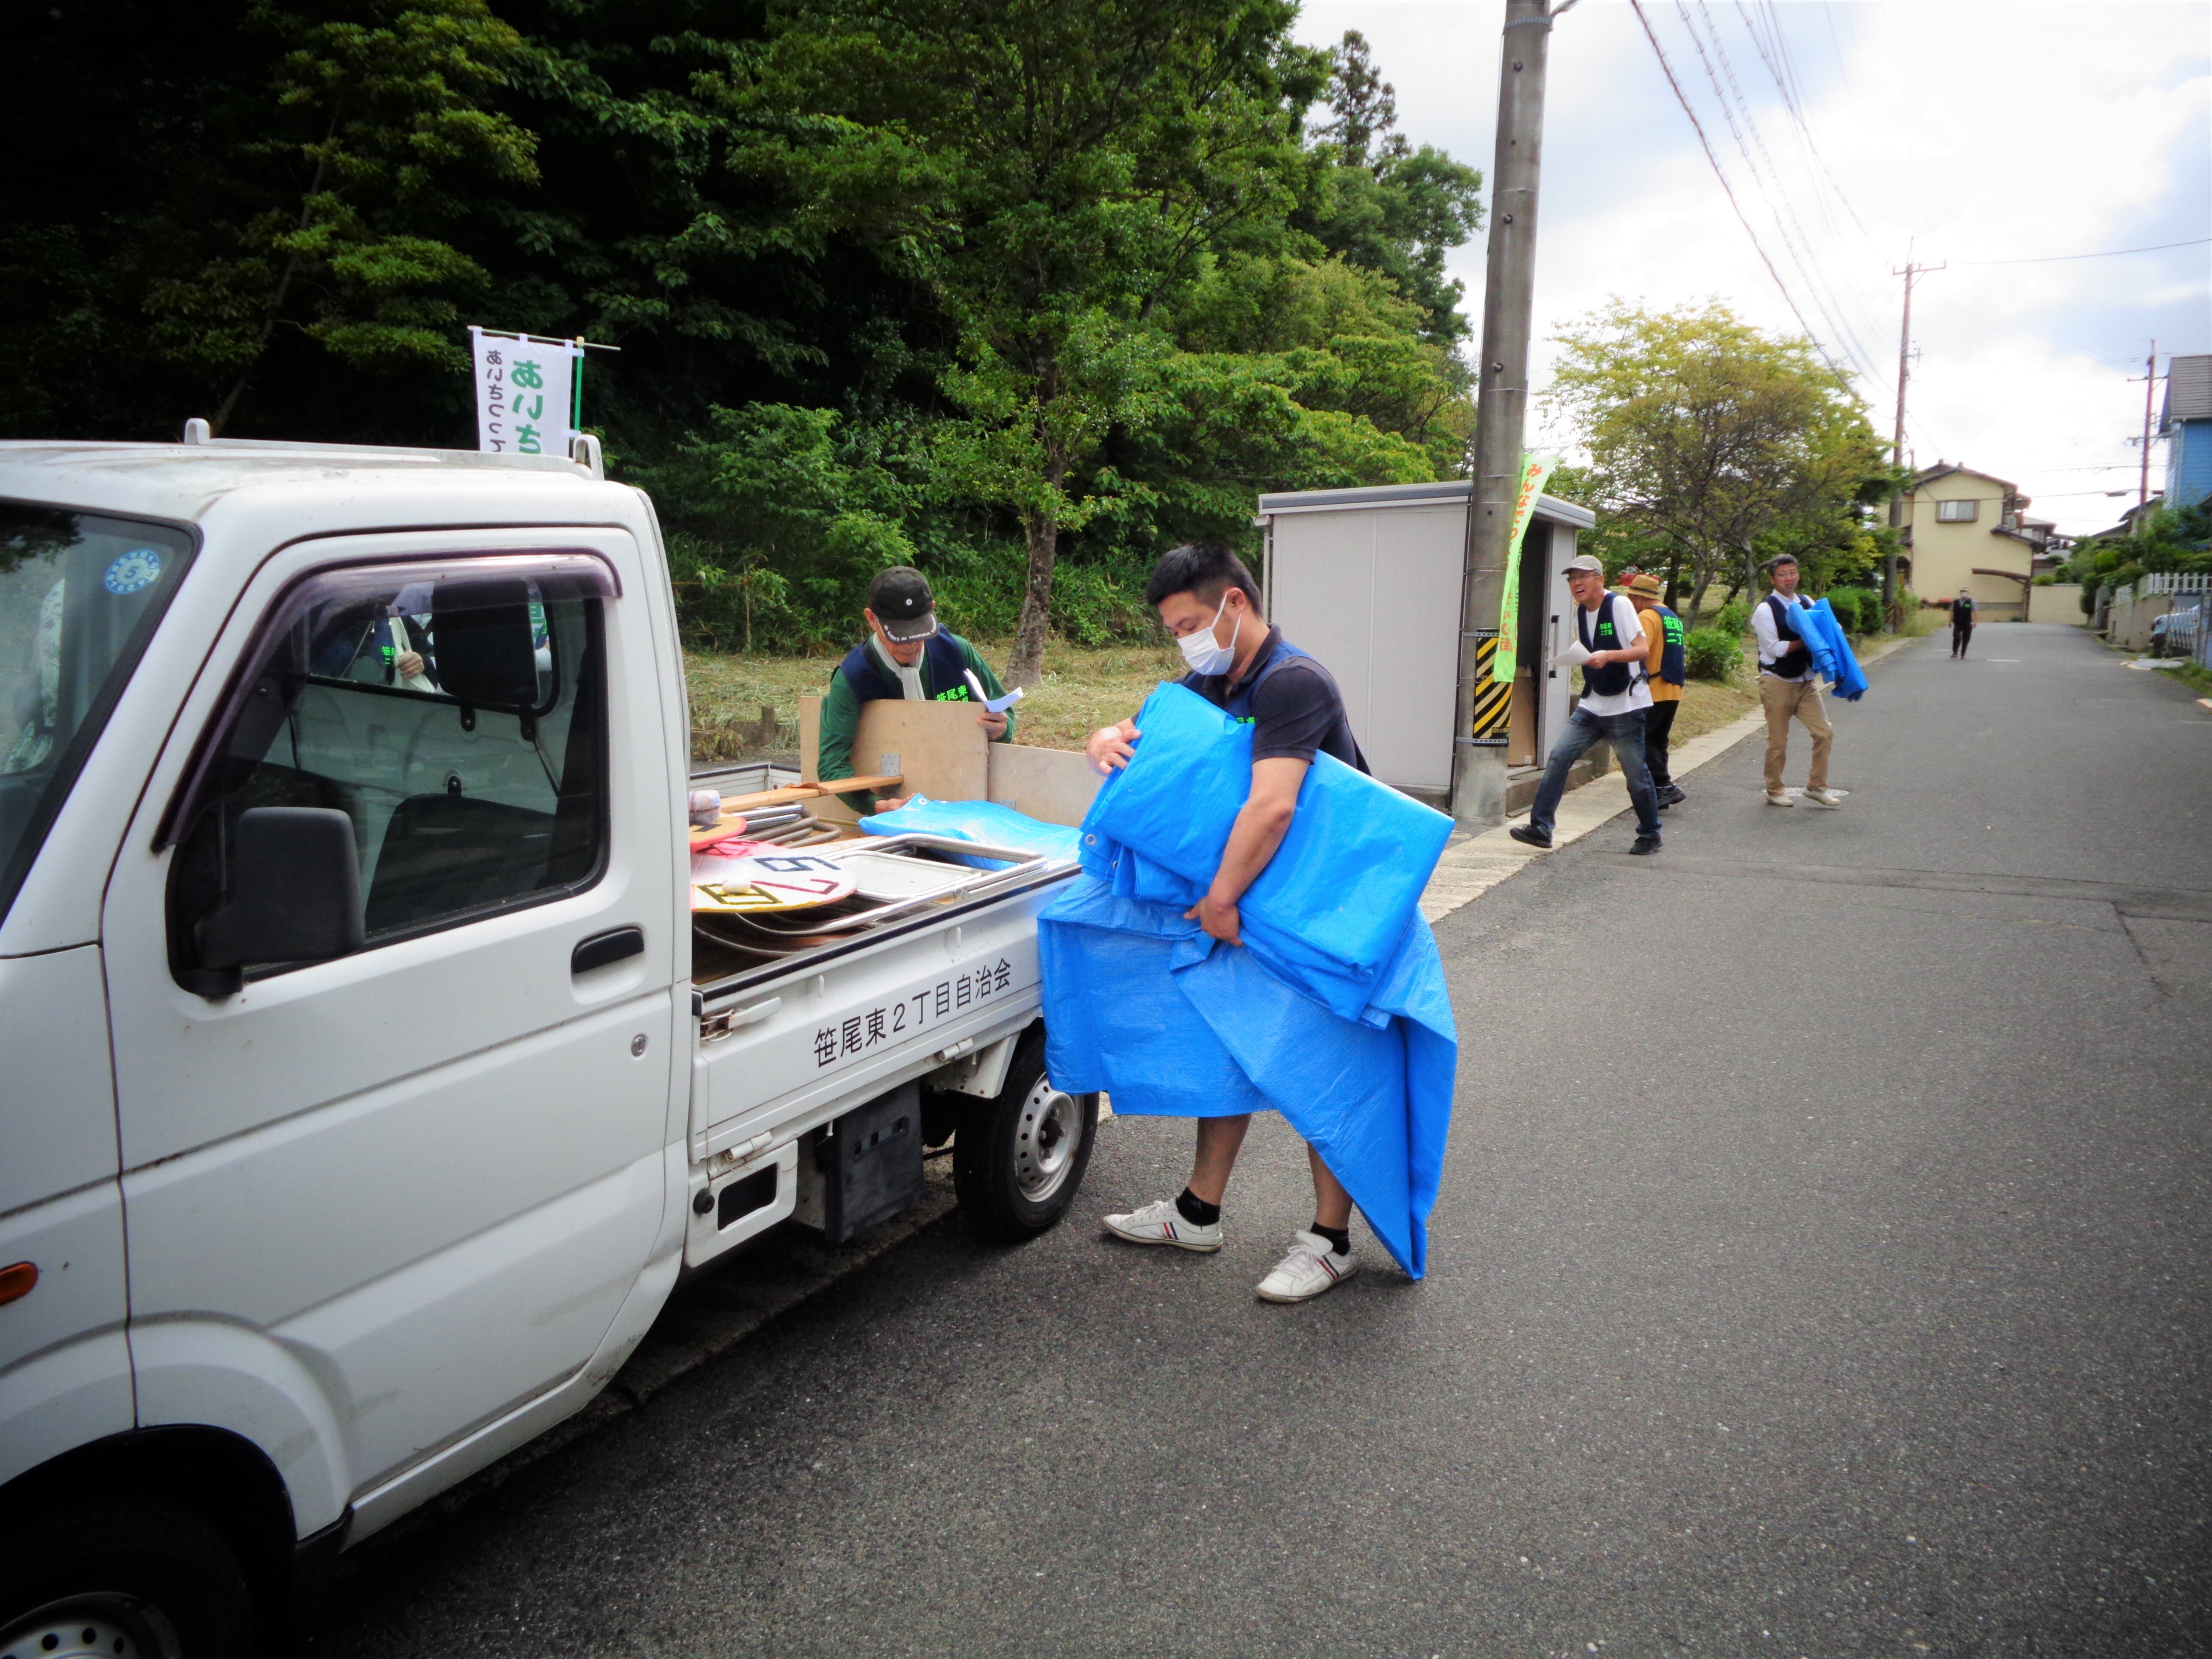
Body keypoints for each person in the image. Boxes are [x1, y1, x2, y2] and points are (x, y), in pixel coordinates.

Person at [1084, 541, 1372, 1304]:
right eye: (1174, 629)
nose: (1184, 639)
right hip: (1261, 899)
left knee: (1323, 1062)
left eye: (1188, 622)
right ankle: (1197, 1211)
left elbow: (1273, 803)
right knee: (1231, 1041)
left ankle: (1330, 1238)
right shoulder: (1216, 675)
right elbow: (1152, 731)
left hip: (1325, 905)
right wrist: (1103, 739)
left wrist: (1218, 900)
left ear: (1233, 603)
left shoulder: (1293, 681)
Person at [817, 566, 1015, 813]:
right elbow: (831, 764)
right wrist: (876, 805)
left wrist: (1001, 728)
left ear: (932, 610)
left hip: (962, 798)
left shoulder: (957, 652)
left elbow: (1007, 717)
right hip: (896, 805)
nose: (910, 645)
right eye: (899, 636)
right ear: (871, 619)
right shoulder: (854, 676)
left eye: (918, 633)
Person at [1507, 553, 1663, 856]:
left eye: (1583, 576)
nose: (1576, 583)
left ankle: (1650, 833)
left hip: (1626, 704)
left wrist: (1608, 655)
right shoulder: (1582, 611)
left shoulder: (1618, 605)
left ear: (1600, 579)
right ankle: (1540, 828)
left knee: (1635, 773)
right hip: (1593, 703)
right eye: (1571, 578)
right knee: (1559, 758)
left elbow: (1642, 650)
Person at [1752, 554, 1840, 808]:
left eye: (1792, 573)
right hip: (1777, 680)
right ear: (1772, 579)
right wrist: (1808, 640)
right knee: (1778, 741)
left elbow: (1825, 629)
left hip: (1806, 681)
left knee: (1824, 733)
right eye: (1782, 574)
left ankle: (1816, 787)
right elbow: (1774, 648)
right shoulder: (1765, 609)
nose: (1789, 579)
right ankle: (1775, 789)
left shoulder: (1806, 602)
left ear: (1798, 575)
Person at [1626, 572, 1686, 807]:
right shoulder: (1671, 616)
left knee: (1645, 740)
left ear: (1638, 598)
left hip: (1655, 687)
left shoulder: (1647, 617)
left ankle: (1664, 785)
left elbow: (1642, 652)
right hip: (1674, 687)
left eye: (1631, 598)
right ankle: (1658, 792)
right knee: (1659, 740)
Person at [1951, 588, 1977, 659]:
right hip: (1958, 622)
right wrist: (1950, 622)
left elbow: (1975, 612)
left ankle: (1963, 654)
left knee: (1966, 639)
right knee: (1957, 637)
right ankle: (1955, 652)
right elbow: (1952, 612)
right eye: (1962, 592)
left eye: (1965, 592)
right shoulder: (1956, 602)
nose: (1963, 593)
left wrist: (1975, 622)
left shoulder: (1971, 602)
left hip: (1967, 622)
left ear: (1968, 593)